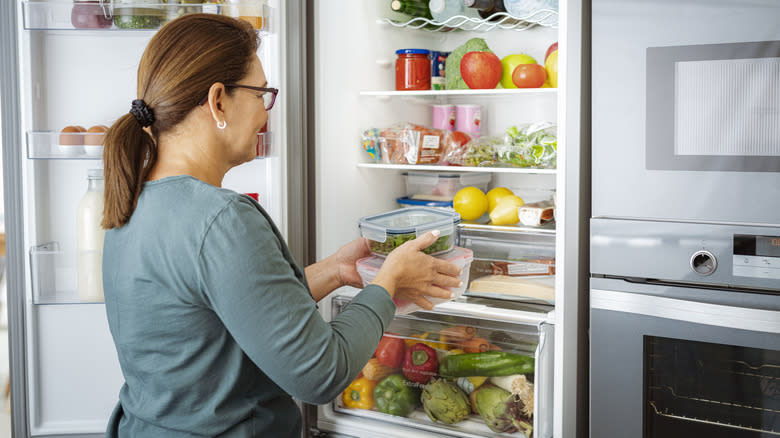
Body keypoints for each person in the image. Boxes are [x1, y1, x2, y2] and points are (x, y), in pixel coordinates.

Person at [100, 13, 462, 438]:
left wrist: (334, 272)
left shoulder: (133, 199)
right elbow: (321, 373)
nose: (265, 113)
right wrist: (389, 283)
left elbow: (223, 318)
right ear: (218, 101)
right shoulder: (222, 219)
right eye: (260, 94)